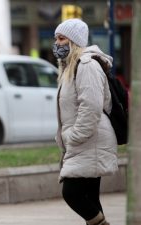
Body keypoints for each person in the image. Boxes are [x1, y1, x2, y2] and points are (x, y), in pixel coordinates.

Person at [53, 18, 118, 225]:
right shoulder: (70, 67)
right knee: (90, 198)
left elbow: (91, 107)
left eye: (62, 38)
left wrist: (74, 137)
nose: (57, 43)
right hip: (87, 142)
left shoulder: (86, 65)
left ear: (74, 41)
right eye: (56, 38)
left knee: (72, 193)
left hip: (90, 140)